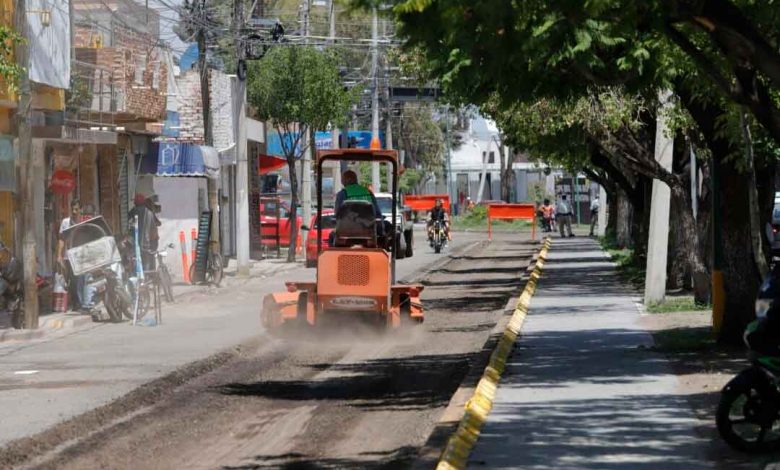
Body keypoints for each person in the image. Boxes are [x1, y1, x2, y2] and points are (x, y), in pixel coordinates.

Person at [128, 193, 161, 271]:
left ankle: (145, 274)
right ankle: (152, 274)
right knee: (150, 259)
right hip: (152, 241)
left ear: (136, 203)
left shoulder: (135, 210)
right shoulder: (149, 212)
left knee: (142, 260)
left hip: (142, 242)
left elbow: (127, 218)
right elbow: (157, 224)